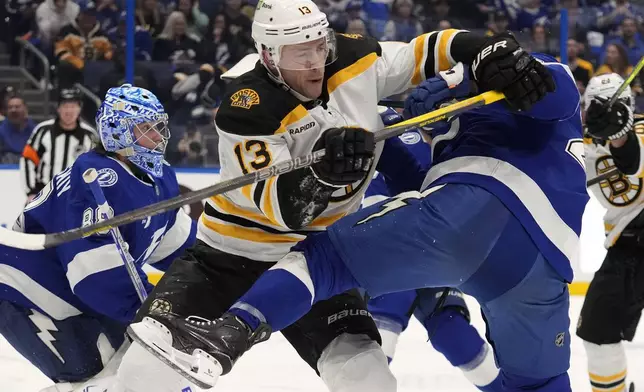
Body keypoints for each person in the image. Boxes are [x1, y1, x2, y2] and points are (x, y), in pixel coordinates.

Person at [119, 0, 555, 390]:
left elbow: (425, 51)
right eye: (298, 52)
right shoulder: (246, 107)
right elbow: (284, 209)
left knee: (369, 380)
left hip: (313, 259)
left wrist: (488, 49)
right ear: (269, 55)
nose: (314, 62)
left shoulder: (353, 57)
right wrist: (326, 176)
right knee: (141, 374)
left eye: (318, 45)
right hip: (228, 256)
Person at [0, 84, 196, 392]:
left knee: (151, 369)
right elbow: (93, 275)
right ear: (119, 133)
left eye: (159, 127)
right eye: (147, 128)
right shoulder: (97, 179)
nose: (159, 137)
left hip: (81, 292)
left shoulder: (161, 177)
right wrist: (157, 312)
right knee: (93, 370)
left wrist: (227, 276)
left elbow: (182, 247)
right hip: (30, 288)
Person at [365, 106, 503, 391]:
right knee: (387, 316)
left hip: (430, 245)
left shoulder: (415, 125)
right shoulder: (361, 122)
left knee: (452, 332)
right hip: (385, 248)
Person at [576, 73, 642, 392]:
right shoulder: (580, 143)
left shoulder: (640, 128)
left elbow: (632, 160)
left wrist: (621, 135)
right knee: (597, 333)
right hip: (625, 250)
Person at [20, 88, 96, 203]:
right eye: (65, 106)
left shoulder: (89, 135)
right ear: (58, 108)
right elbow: (28, 159)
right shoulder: (43, 130)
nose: (69, 111)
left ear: (79, 109)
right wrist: (31, 191)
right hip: (44, 194)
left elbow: (96, 167)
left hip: (76, 197)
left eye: (73, 106)